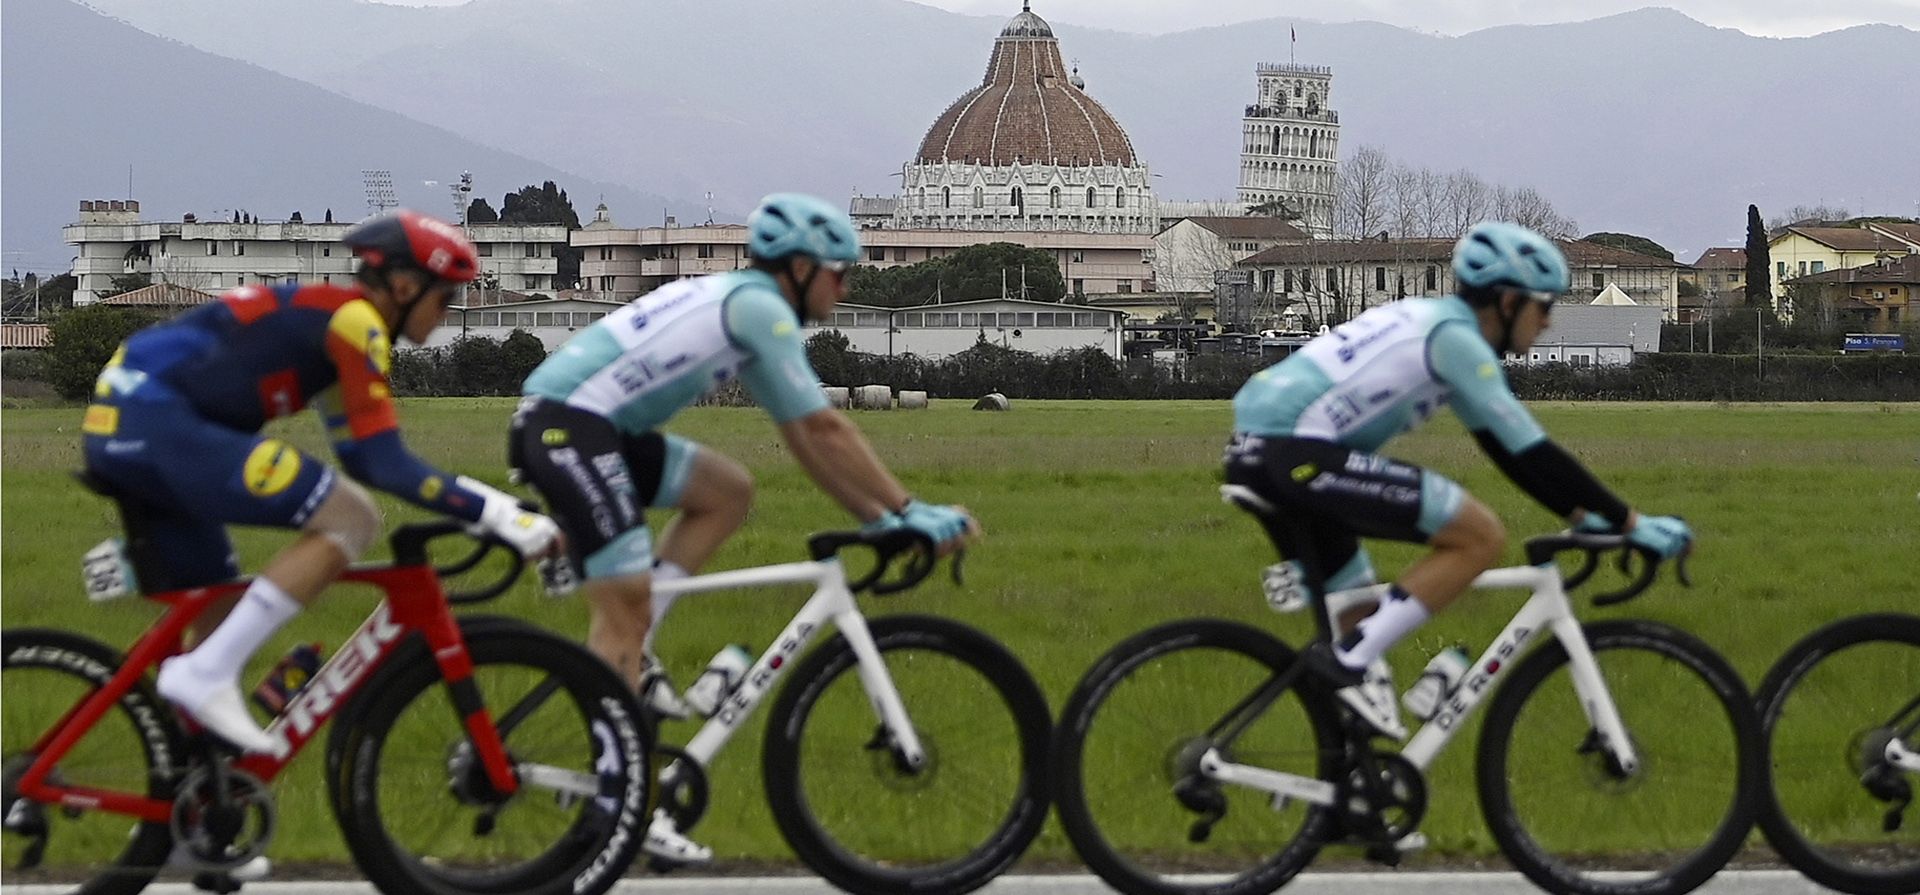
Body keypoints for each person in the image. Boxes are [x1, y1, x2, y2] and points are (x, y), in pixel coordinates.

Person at [512, 192, 977, 863]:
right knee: (621, 612)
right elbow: (826, 427)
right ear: (796, 268)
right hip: (571, 429)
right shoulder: (759, 309)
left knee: (727, 491)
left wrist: (877, 519)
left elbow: (805, 441)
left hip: (592, 427)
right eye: (836, 272)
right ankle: (616, 809)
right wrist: (907, 510)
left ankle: (643, 641)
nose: (844, 287)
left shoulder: (749, 307)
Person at [84, 210, 562, 757]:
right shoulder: (355, 323)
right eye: (444, 298)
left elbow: (361, 453)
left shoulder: (332, 325)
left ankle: (199, 813)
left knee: (215, 595)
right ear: (406, 285)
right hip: (157, 424)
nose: (447, 312)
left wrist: (486, 507)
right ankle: (205, 676)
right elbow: (385, 465)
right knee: (350, 517)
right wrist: (501, 514)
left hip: (136, 423)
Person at [1223, 221, 1692, 740]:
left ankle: (1359, 799)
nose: (1549, 324)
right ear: (1509, 301)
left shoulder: (1434, 324)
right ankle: (1348, 659)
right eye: (1545, 307)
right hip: (1295, 453)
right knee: (1479, 536)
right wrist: (1630, 521)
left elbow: (1509, 456)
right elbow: (1531, 449)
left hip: (1259, 451)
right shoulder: (1457, 340)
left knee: (1359, 625)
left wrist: (1586, 517)